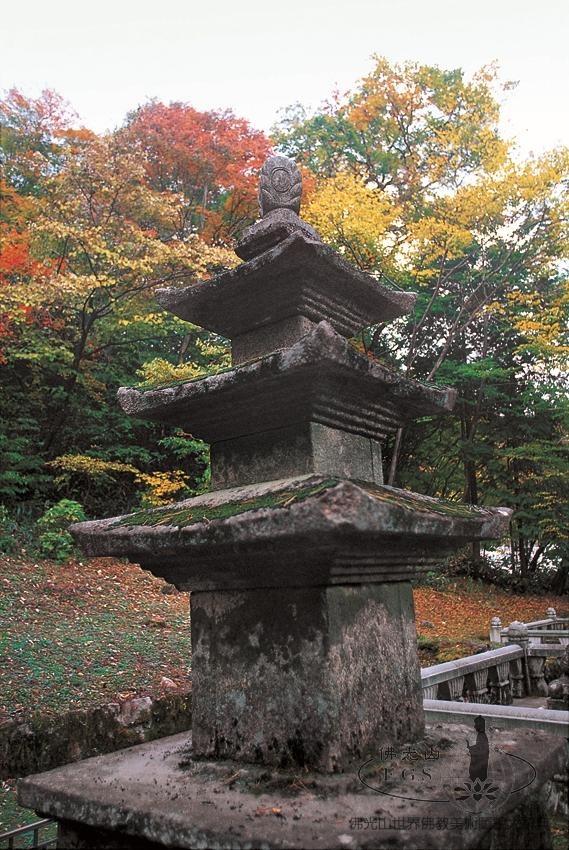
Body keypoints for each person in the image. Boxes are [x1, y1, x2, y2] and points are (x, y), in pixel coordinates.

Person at [466, 715, 489, 781]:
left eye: (476, 724)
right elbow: (480, 746)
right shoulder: (481, 735)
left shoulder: (481, 735)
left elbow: (481, 749)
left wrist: (470, 748)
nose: (474, 726)